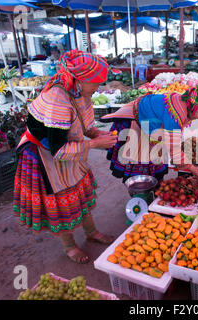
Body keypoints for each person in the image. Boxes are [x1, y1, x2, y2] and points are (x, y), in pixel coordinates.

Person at [13, 50, 118, 264]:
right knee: (62, 200)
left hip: (69, 148)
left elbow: (84, 125)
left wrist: (97, 134)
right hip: (44, 154)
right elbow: (59, 151)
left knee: (80, 190)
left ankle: (91, 232)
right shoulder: (58, 98)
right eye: (96, 83)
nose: (99, 88)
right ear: (81, 79)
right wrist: (96, 143)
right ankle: (69, 246)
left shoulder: (79, 92)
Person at [100, 85, 198, 183]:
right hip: (134, 123)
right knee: (140, 163)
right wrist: (192, 168)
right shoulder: (175, 115)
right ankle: (141, 194)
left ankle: (152, 185)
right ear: (196, 108)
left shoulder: (183, 102)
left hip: (149, 124)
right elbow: (174, 148)